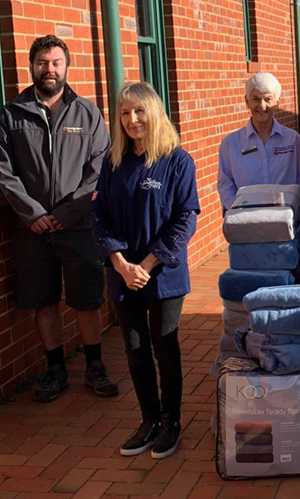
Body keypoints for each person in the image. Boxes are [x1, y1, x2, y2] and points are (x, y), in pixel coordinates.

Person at [0, 35, 118, 402]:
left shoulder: (87, 113)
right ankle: (55, 370)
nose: (50, 69)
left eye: (56, 62)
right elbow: (4, 172)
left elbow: (98, 171)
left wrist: (65, 213)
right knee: (43, 301)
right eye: (43, 62)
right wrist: (33, 214)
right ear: (31, 66)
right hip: (33, 231)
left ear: (66, 66)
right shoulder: (11, 116)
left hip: (78, 227)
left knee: (86, 300)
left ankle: (94, 366)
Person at [92, 82, 200, 459]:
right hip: (123, 274)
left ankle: (171, 421)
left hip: (163, 274)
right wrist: (120, 262)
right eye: (124, 112)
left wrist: (148, 263)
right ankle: (149, 419)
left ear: (153, 112)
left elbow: (186, 220)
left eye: (139, 111)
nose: (132, 119)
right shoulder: (113, 163)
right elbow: (99, 217)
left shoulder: (177, 161)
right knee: (135, 350)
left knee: (164, 347)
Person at [217, 71, 300, 211]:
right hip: (246, 225)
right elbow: (225, 185)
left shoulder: (293, 140)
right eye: (256, 99)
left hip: (286, 223)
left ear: (277, 102)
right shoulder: (230, 144)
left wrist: (292, 208)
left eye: (268, 99)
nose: (262, 106)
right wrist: (240, 212)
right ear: (247, 101)